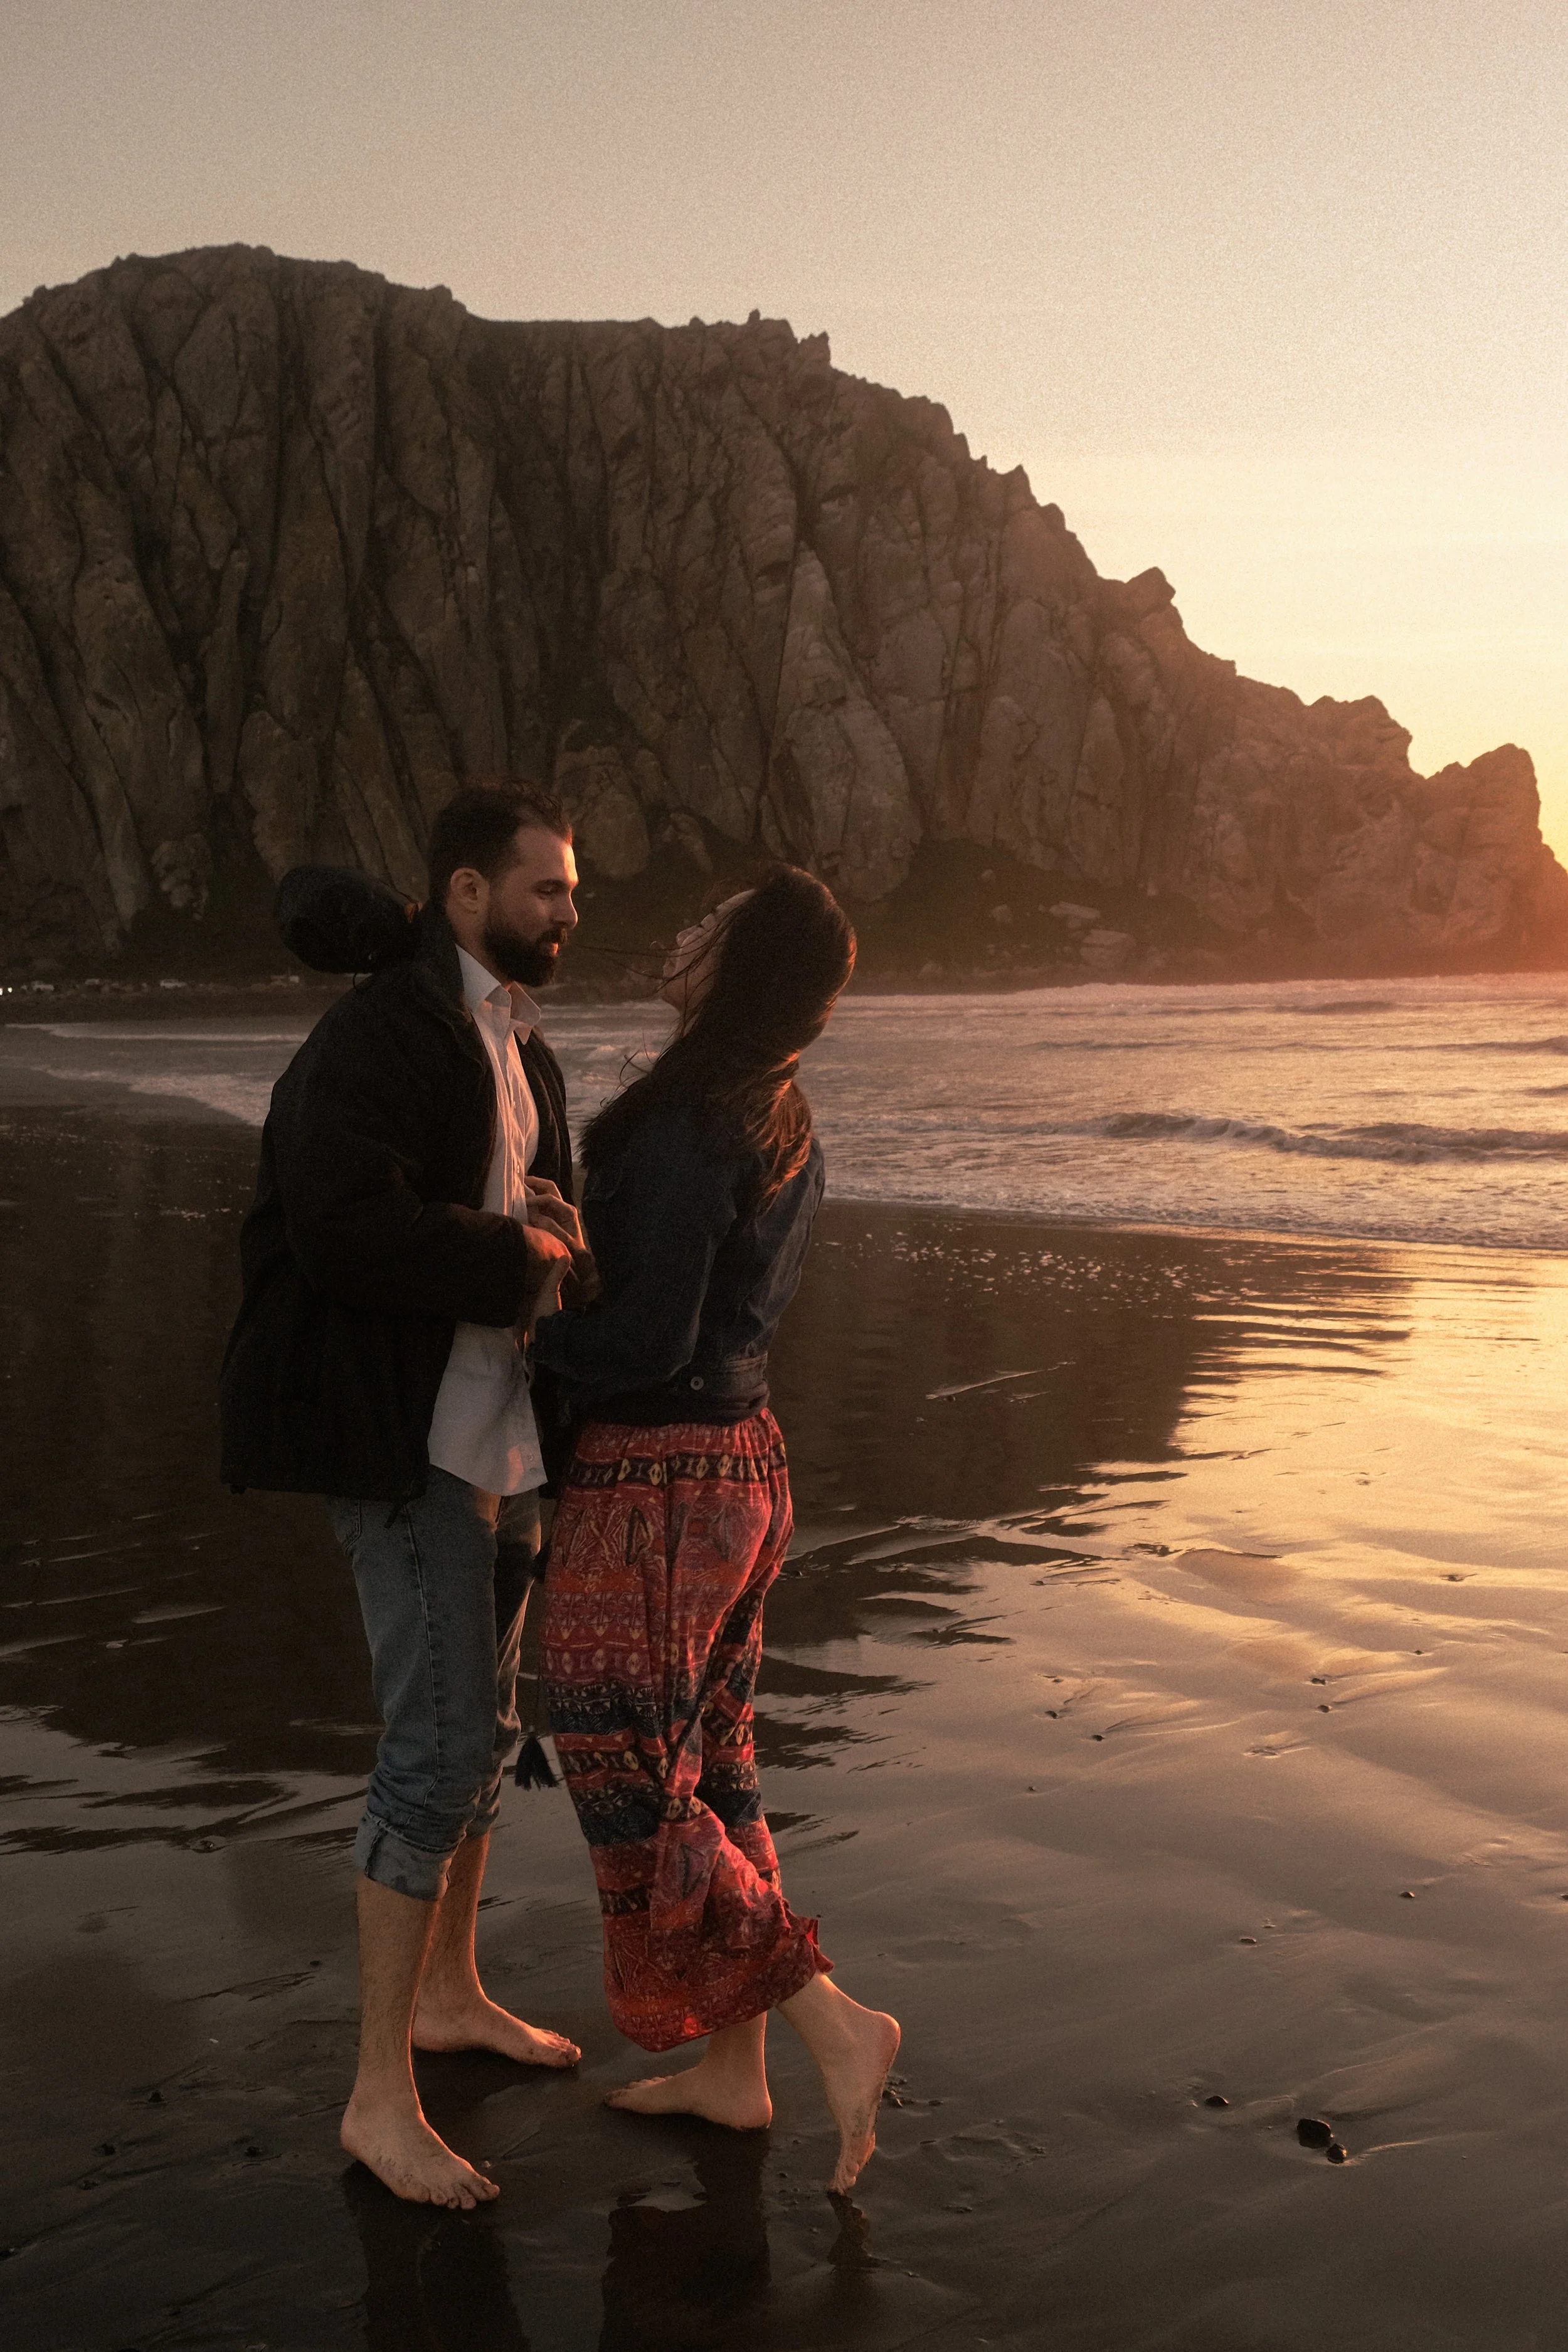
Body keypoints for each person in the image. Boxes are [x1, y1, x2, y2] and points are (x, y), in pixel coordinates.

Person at [219, 781, 593, 2211]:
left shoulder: (516, 1043)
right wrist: (518, 1260)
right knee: (434, 1751)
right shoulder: (381, 1035)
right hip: (402, 1442)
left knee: (486, 1737)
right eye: (545, 889)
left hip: (505, 1436)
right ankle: (379, 2096)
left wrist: (554, 1238)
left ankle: (451, 1996)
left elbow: (539, 1216)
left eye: (571, 891)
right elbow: (339, 1224)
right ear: (463, 893)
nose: (567, 912)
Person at [531, 868, 901, 2197]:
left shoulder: (694, 1118)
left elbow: (644, 1338)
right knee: (716, 1766)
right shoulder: (778, 1112)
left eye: (712, 920)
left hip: (659, 1479)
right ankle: (731, 2076)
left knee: (627, 1766)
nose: (684, 927)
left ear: (738, 961)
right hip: (741, 1464)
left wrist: (516, 1314)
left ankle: (829, 2022)